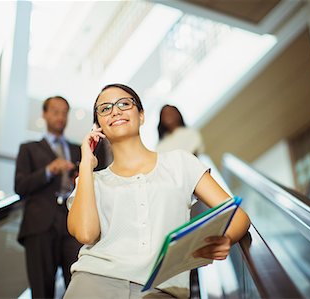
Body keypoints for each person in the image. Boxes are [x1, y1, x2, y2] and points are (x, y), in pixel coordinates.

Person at [64, 84, 251, 298]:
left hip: (161, 290)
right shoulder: (92, 180)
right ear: (98, 127)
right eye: (105, 109)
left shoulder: (180, 162)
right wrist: (86, 164)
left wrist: (224, 239)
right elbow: (85, 233)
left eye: (124, 104)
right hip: (92, 284)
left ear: (141, 115)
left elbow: (239, 217)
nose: (115, 111)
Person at [15, 96, 82, 298]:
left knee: (78, 284)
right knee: (42, 290)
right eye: (55, 111)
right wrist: (48, 170)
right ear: (44, 113)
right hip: (39, 226)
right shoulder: (29, 149)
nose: (60, 116)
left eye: (64, 112)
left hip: (72, 226)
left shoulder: (78, 150)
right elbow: (20, 186)